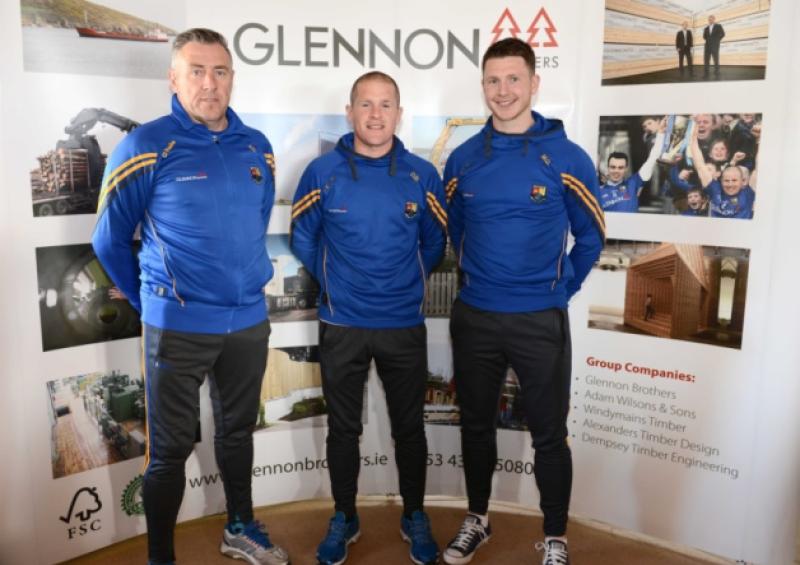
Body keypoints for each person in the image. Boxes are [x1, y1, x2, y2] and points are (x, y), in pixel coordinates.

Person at [91, 28, 289, 565]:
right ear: (174, 80)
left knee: (237, 433)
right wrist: (150, 302)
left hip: (247, 322)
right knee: (170, 451)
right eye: (196, 71)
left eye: (219, 72)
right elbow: (108, 240)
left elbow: (255, 221)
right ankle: (161, 558)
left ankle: (239, 528)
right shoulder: (145, 145)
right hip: (177, 326)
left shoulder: (257, 146)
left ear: (232, 78)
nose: (209, 83)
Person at [442, 38, 604, 565]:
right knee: (475, 427)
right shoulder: (463, 159)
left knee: (550, 435)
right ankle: (478, 518)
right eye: (493, 80)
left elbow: (592, 237)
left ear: (535, 83)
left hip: (540, 319)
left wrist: (558, 290)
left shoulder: (567, 157)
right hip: (476, 317)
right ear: (483, 86)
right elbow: (457, 231)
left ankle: (555, 537)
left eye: (514, 79)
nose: (503, 90)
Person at [290, 71, 446, 565]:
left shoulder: (422, 175)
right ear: (350, 111)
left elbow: (435, 243)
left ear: (399, 114)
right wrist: (334, 281)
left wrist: (404, 283)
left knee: (410, 429)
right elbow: (303, 237)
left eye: (385, 105)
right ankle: (344, 516)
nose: (375, 115)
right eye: (366, 104)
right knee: (343, 430)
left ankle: (414, 513)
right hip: (343, 325)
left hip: (402, 324)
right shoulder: (322, 173)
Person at [688, 120, 756, 219]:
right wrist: (693, 138)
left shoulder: (748, 193)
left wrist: (759, 139)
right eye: (726, 181)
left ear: (742, 182)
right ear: (721, 181)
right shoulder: (714, 189)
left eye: (734, 180)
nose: (730, 184)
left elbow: (759, 167)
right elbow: (700, 165)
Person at [599, 121, 665, 213]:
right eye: (613, 167)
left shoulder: (633, 183)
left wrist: (661, 133)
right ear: (608, 168)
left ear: (626, 169)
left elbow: (652, 158)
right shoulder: (597, 191)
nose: (616, 171)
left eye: (620, 167)